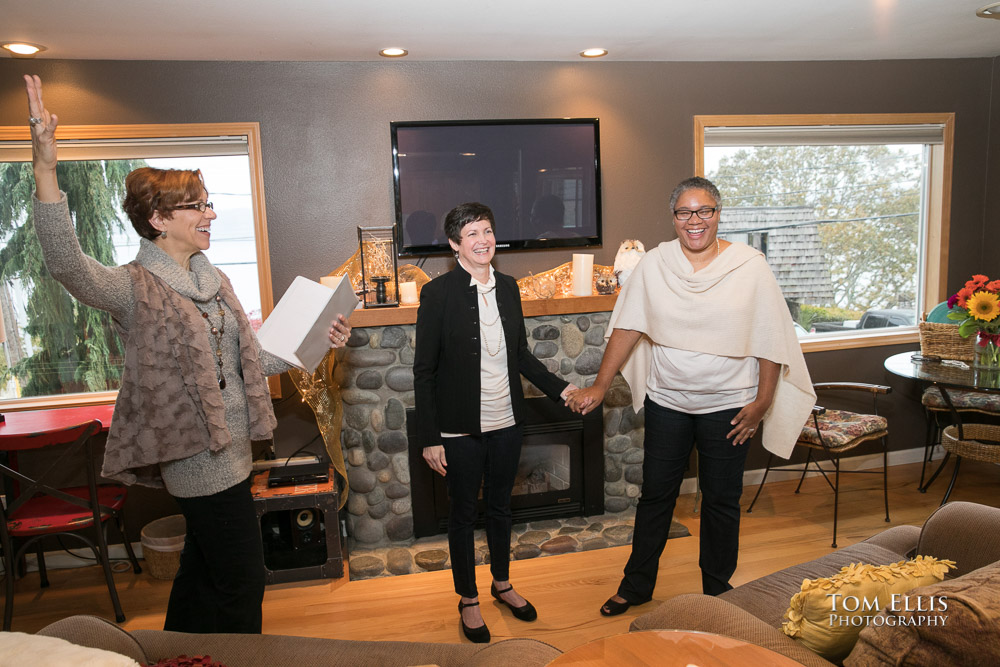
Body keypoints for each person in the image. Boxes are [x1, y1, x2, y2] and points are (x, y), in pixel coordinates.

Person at [23, 74, 353, 634]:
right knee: (243, 577)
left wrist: (318, 340)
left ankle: (178, 650)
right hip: (196, 459)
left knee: (202, 567)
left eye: (208, 203)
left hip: (235, 451)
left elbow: (249, 359)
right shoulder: (133, 287)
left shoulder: (215, 279)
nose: (210, 214)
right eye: (196, 206)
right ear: (158, 221)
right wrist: (45, 167)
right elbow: (66, 265)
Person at [567, 176, 814, 616]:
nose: (694, 220)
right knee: (656, 496)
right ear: (674, 218)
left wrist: (761, 403)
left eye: (705, 211)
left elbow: (771, 336)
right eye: (685, 212)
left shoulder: (749, 265)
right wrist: (601, 385)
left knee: (721, 501)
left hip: (730, 408)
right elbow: (629, 326)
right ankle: (636, 586)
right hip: (669, 403)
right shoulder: (655, 264)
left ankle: (718, 593)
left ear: (718, 215)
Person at [414, 202, 578, 643]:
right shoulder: (438, 293)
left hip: (507, 421)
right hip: (459, 429)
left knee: (503, 507)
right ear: (454, 245)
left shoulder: (507, 288)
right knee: (464, 515)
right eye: (471, 234)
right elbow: (424, 371)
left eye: (487, 230)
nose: (483, 239)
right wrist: (431, 438)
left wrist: (562, 389)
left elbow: (521, 355)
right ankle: (468, 599)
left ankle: (502, 583)